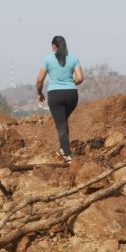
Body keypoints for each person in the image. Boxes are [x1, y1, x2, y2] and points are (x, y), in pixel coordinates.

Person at [36, 35, 83, 163]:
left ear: (53, 46)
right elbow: (80, 78)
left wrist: (40, 93)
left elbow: (40, 80)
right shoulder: (74, 58)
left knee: (61, 124)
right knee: (63, 121)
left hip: (55, 95)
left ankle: (67, 155)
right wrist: (70, 83)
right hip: (72, 95)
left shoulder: (48, 58)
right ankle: (63, 148)